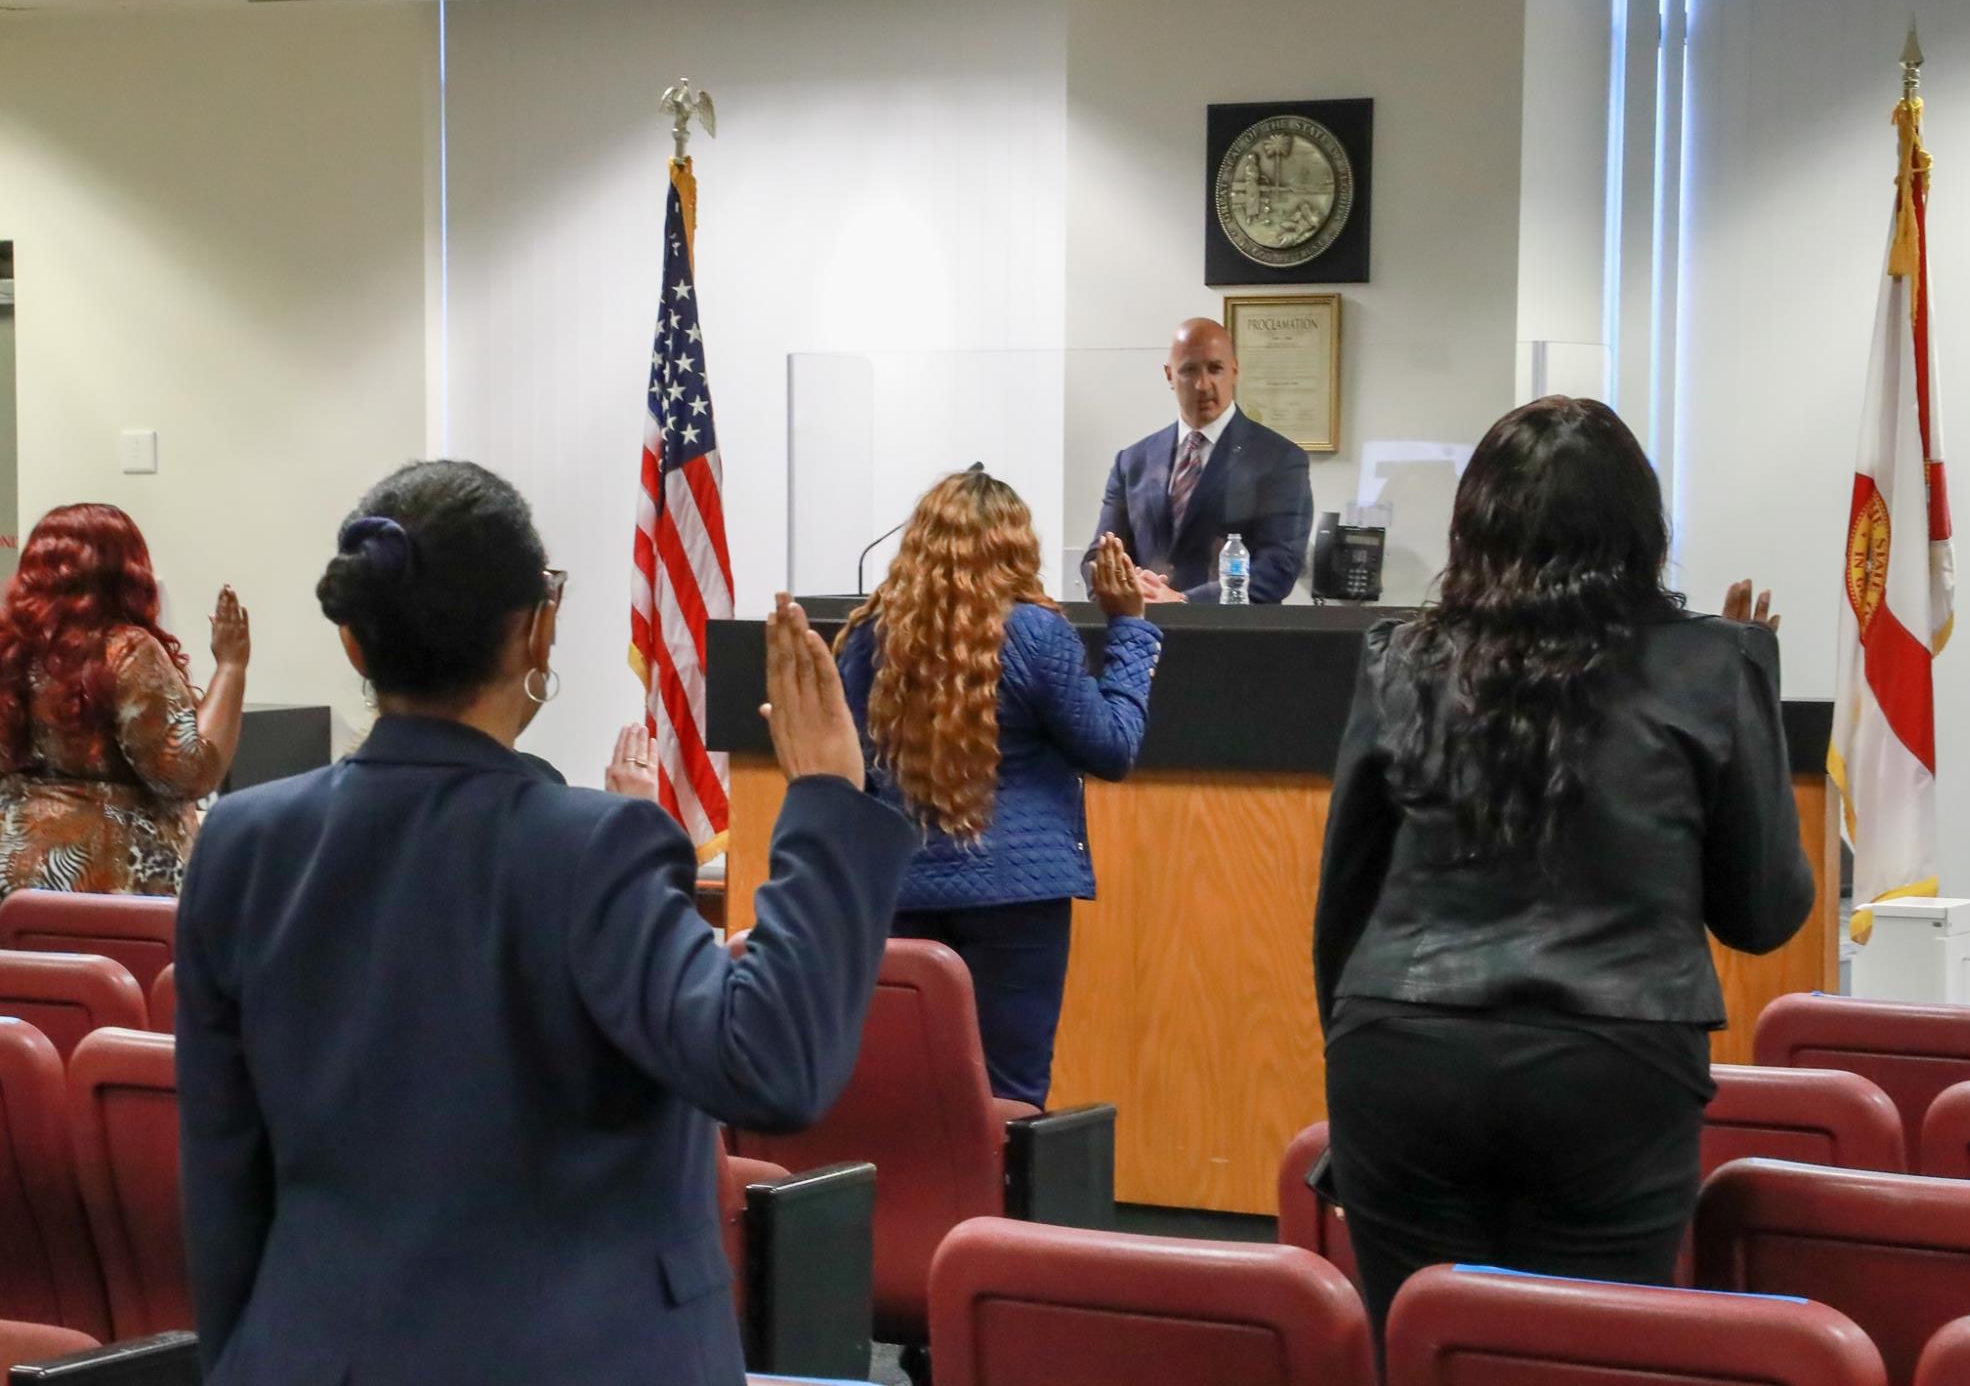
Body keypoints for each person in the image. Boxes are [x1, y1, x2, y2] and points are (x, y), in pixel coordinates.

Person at [175, 460, 915, 1386]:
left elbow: (221, 1180)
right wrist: (824, 804)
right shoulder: (595, 849)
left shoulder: (239, 843)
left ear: (356, 646)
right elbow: (774, 1059)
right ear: (538, 631)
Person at [1312, 396, 1814, 1349]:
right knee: (1583, 1363)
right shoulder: (1711, 666)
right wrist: (1756, 688)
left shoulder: (1402, 658)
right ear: (1640, 530)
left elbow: (1346, 899)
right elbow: (1762, 912)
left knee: (1423, 1358)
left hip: (1404, 1054)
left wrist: (1353, 1055)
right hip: (1614, 1068)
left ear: (1475, 524)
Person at [836, 468, 1158, 1109]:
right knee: (1008, 1096)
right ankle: (997, 1213)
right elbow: (1113, 748)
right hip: (1019, 895)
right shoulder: (1037, 636)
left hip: (901, 886)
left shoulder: (873, 636)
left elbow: (853, 765)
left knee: (906, 1090)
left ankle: (914, 1212)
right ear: (1017, 546)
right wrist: (1130, 630)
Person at [0, 503, 247, 897]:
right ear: (129, 572)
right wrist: (231, 669)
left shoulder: (11, 650)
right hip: (111, 887)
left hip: (13, 880)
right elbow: (189, 772)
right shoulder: (125, 651)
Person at [1084, 317, 1312, 604]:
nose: (1203, 385)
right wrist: (1133, 592)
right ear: (1169, 375)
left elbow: (1279, 567)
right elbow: (1099, 557)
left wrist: (1183, 601)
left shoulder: (1279, 459)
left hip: (1228, 636)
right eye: (1189, 370)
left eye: (1215, 369)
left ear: (1235, 370)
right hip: (1139, 632)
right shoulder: (1132, 461)